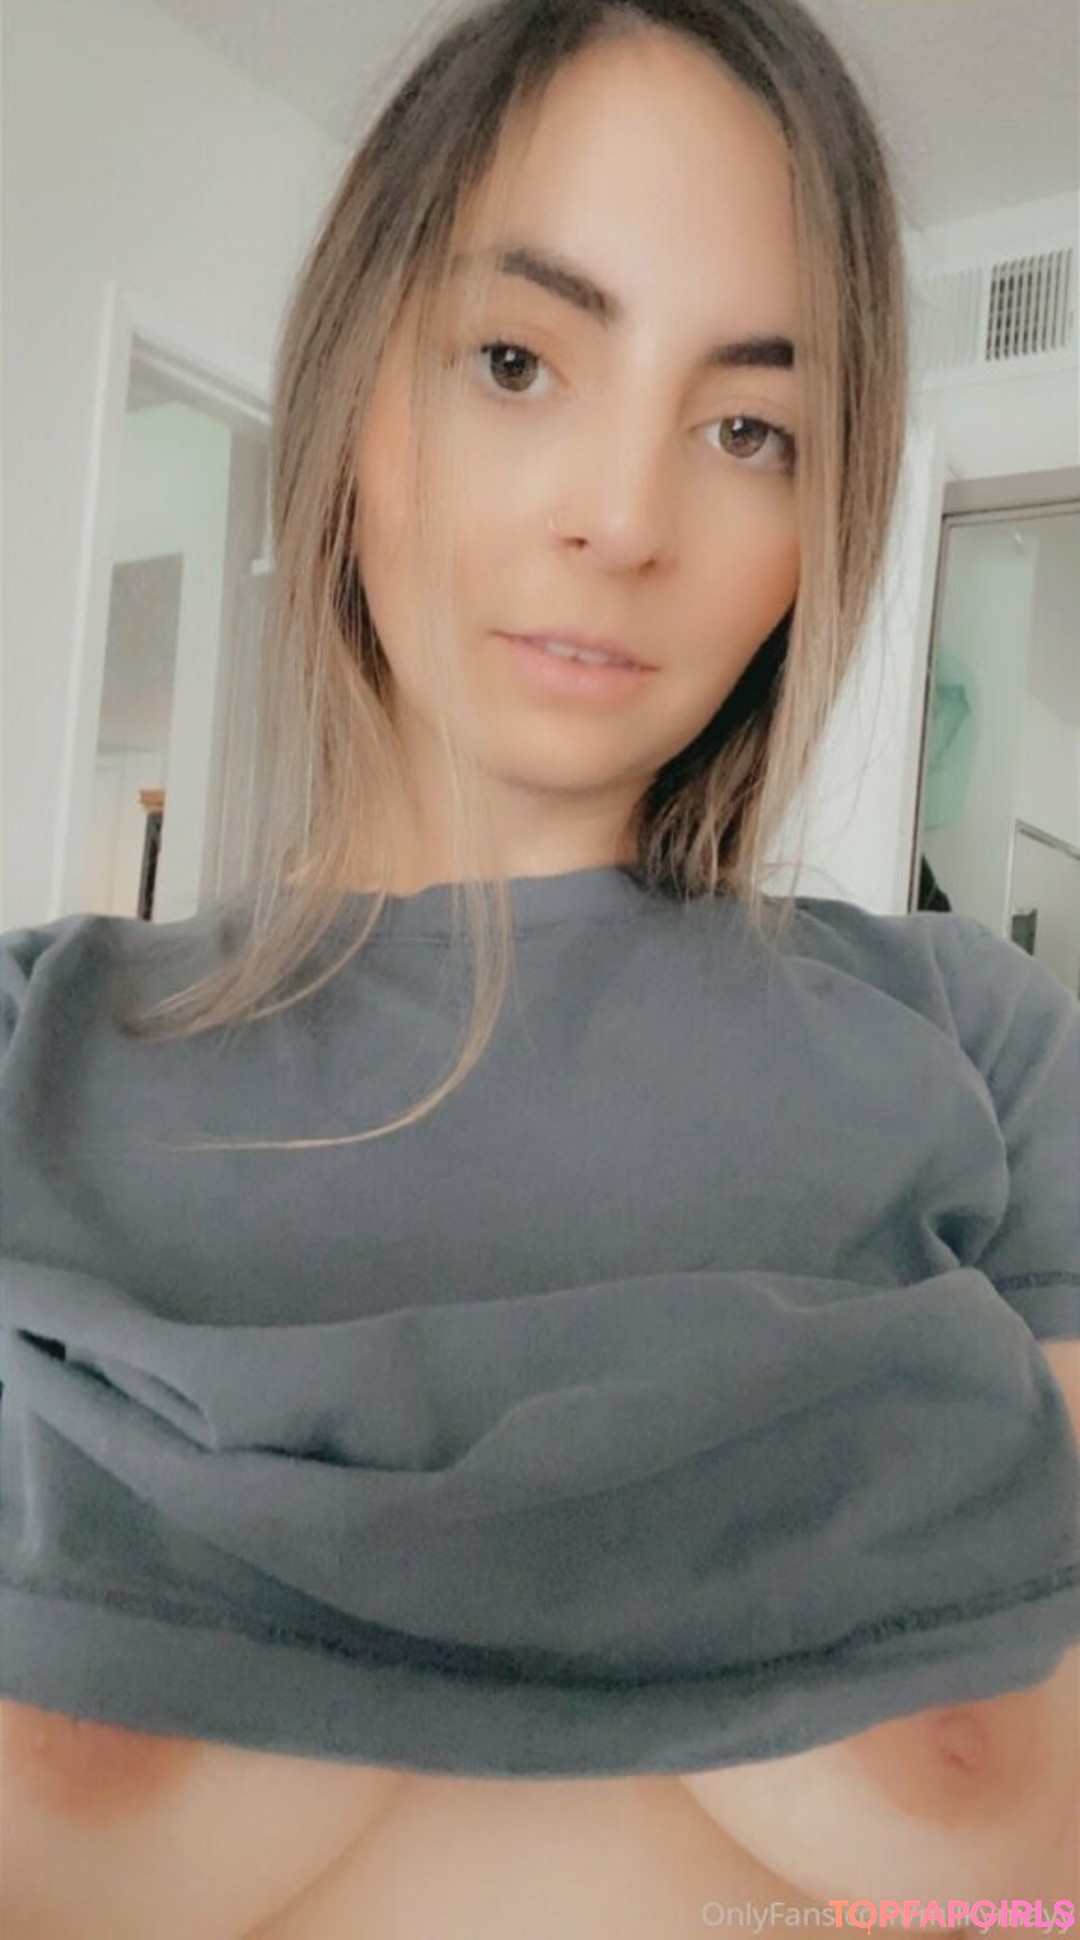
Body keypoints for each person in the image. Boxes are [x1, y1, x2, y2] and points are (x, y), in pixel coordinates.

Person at [2, 1, 1078, 1934]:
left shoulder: (995, 1053)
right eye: (517, 361)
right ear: (359, 385)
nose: (624, 518)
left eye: (747, 428)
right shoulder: (29, 1051)